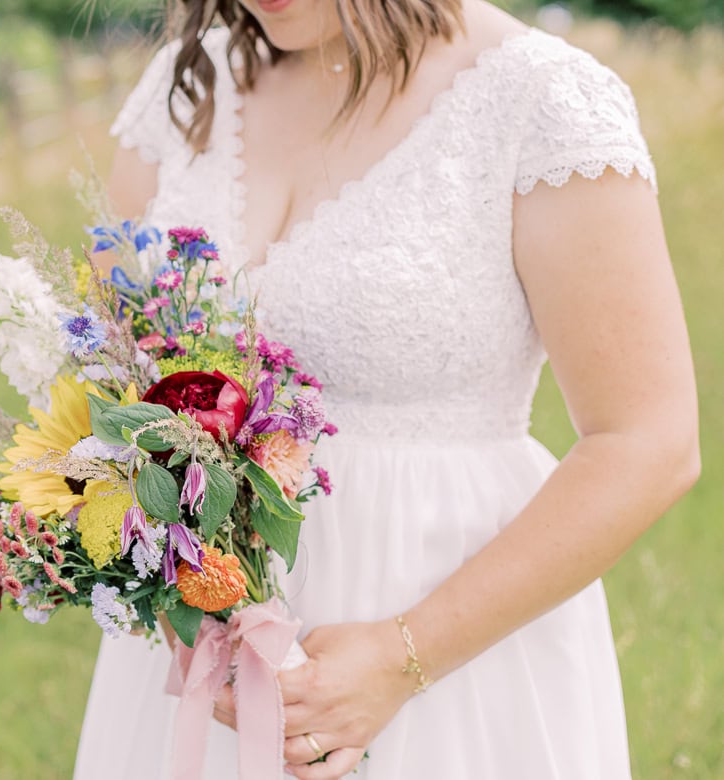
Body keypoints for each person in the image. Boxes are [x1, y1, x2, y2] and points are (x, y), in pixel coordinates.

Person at [76, 0, 700, 777]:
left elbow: (650, 441)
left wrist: (402, 657)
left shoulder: (542, 100)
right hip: (207, 645)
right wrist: (181, 596)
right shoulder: (188, 84)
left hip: (454, 649)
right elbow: (112, 376)